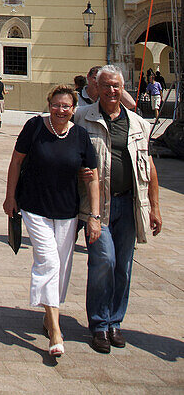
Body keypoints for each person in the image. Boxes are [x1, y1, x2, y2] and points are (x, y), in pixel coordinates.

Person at [3, 85, 100, 358]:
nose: (61, 110)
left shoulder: (80, 136)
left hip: (67, 211)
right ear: (49, 105)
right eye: (56, 105)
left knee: (63, 267)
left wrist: (94, 216)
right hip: (35, 206)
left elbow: (92, 177)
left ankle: (48, 314)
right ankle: (56, 331)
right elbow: (16, 162)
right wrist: (10, 196)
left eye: (66, 106)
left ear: (73, 109)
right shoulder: (34, 127)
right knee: (49, 261)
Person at [75, 65, 163, 353]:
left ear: (122, 88)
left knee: (124, 267)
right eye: (107, 85)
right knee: (104, 262)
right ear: (96, 88)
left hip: (129, 203)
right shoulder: (82, 118)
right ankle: (99, 325)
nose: (112, 91)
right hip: (98, 206)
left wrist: (155, 208)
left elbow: (148, 166)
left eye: (117, 86)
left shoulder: (138, 123)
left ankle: (115, 322)